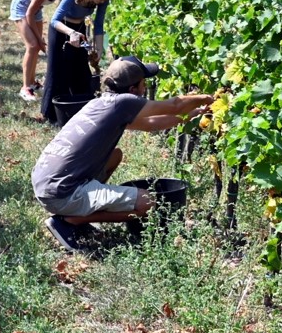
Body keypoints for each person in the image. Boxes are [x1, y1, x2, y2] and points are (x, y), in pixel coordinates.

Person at [31, 56, 212, 253]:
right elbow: (174, 105)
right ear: (133, 89)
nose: (145, 88)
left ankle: (76, 210)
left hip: (45, 181)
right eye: (144, 83)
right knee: (149, 203)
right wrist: (207, 97)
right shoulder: (125, 102)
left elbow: (151, 124)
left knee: (115, 155)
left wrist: (196, 113)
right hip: (61, 192)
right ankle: (72, 220)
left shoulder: (102, 104)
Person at [40, 0, 113, 123]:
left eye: (103, 0)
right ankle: (51, 115)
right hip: (61, 30)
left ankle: (80, 110)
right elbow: (54, 20)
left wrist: (99, 50)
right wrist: (70, 32)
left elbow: (98, 25)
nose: (101, 2)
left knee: (80, 70)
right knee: (57, 70)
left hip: (78, 29)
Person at [9, 0, 78, 101]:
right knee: (33, 45)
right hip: (23, 8)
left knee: (37, 46)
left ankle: (33, 82)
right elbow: (28, 13)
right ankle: (25, 88)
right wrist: (40, 39)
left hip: (35, 9)